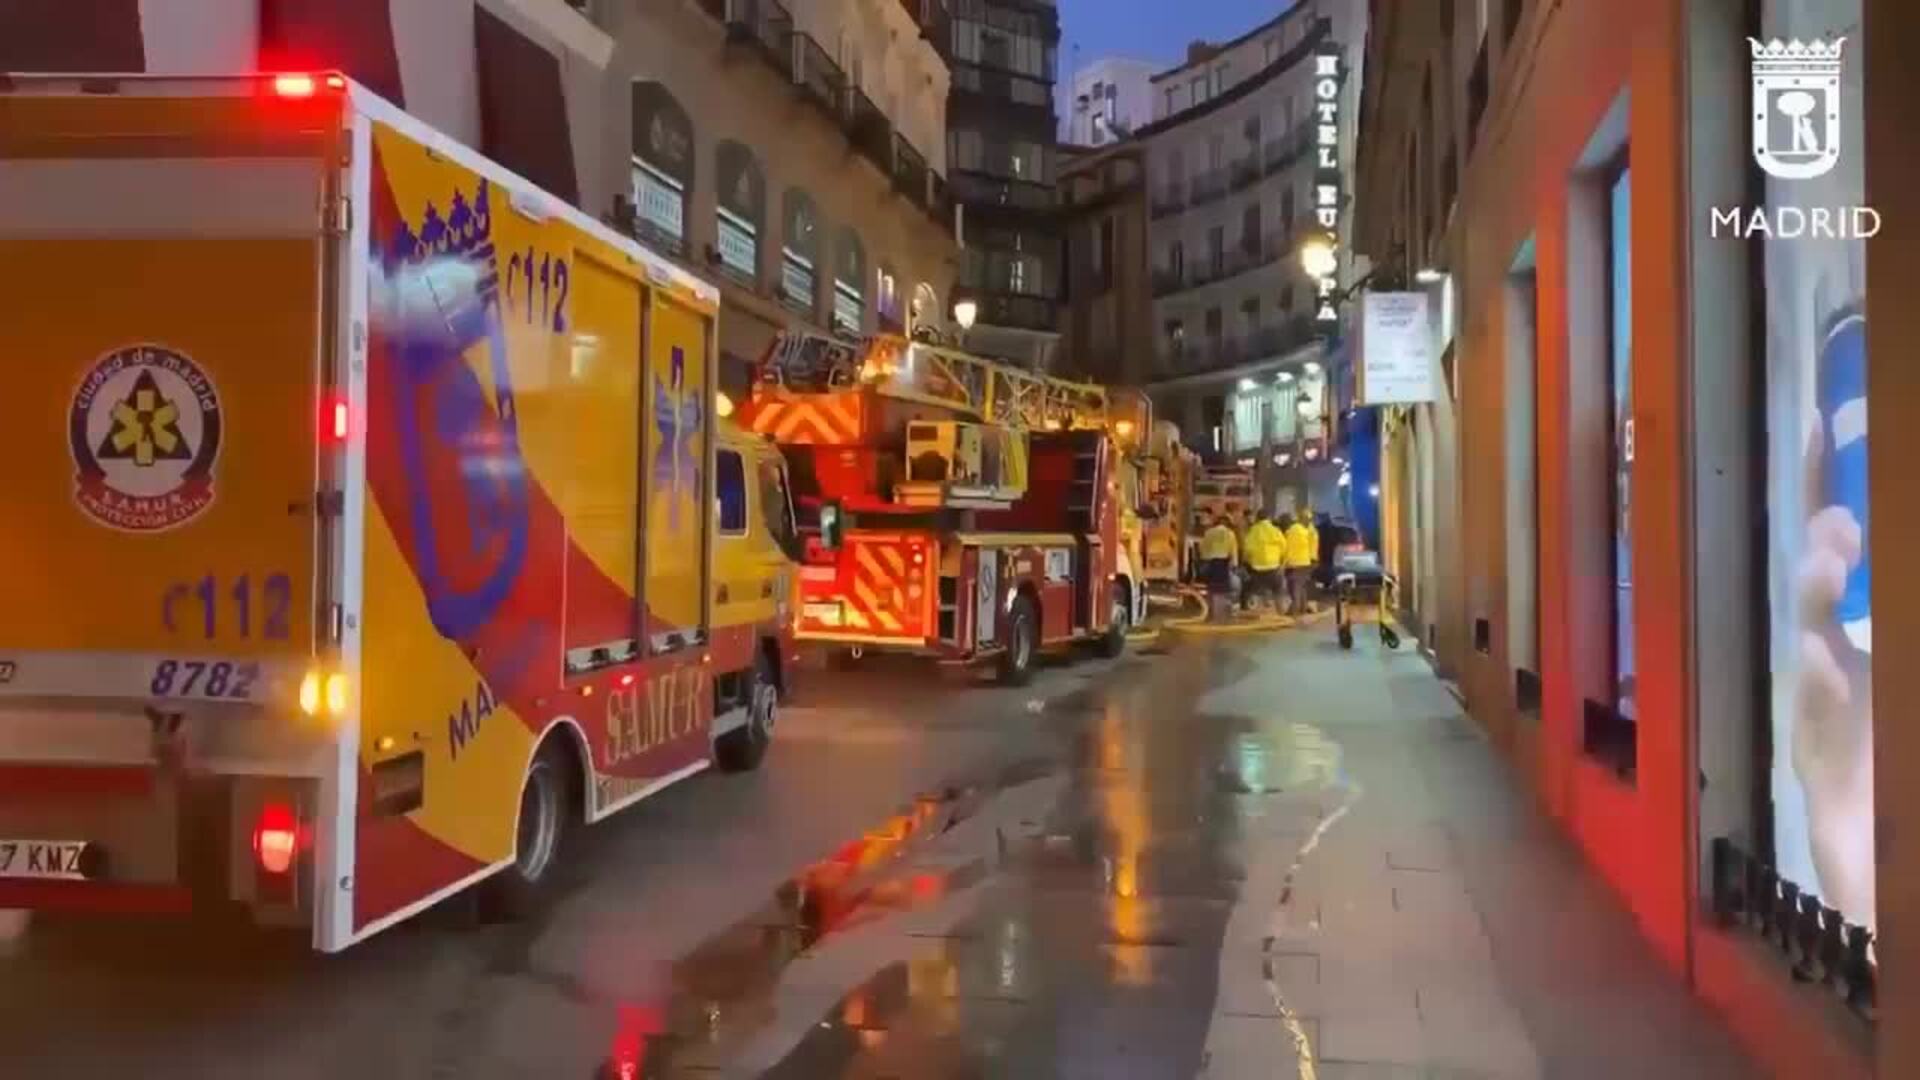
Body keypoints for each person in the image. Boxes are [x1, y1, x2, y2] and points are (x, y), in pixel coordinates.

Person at [1240, 511, 1286, 612]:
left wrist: (1247, 562)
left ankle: (1252, 612)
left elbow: (1247, 550)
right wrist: (1281, 561)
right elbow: (1284, 547)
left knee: (1253, 590)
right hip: (1274, 567)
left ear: (1257, 518)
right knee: (1278, 591)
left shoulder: (1253, 531)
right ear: (1268, 518)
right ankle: (1281, 612)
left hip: (1257, 568)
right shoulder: (1275, 530)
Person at [1197, 513, 1239, 603]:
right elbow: (1233, 553)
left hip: (1209, 565)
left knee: (1209, 586)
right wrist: (1234, 567)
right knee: (1235, 583)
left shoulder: (1208, 533)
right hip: (1224, 566)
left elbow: (1202, 551)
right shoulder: (1230, 534)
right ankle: (1233, 604)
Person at [1283, 512, 1316, 616]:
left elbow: (1285, 547)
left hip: (1293, 563)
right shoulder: (1308, 532)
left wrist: (1284, 562)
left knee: (1295, 586)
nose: (1308, 522)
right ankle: (1301, 608)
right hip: (1305, 562)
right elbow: (1313, 547)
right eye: (1308, 520)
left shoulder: (1290, 531)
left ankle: (1296, 609)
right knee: (1300, 586)